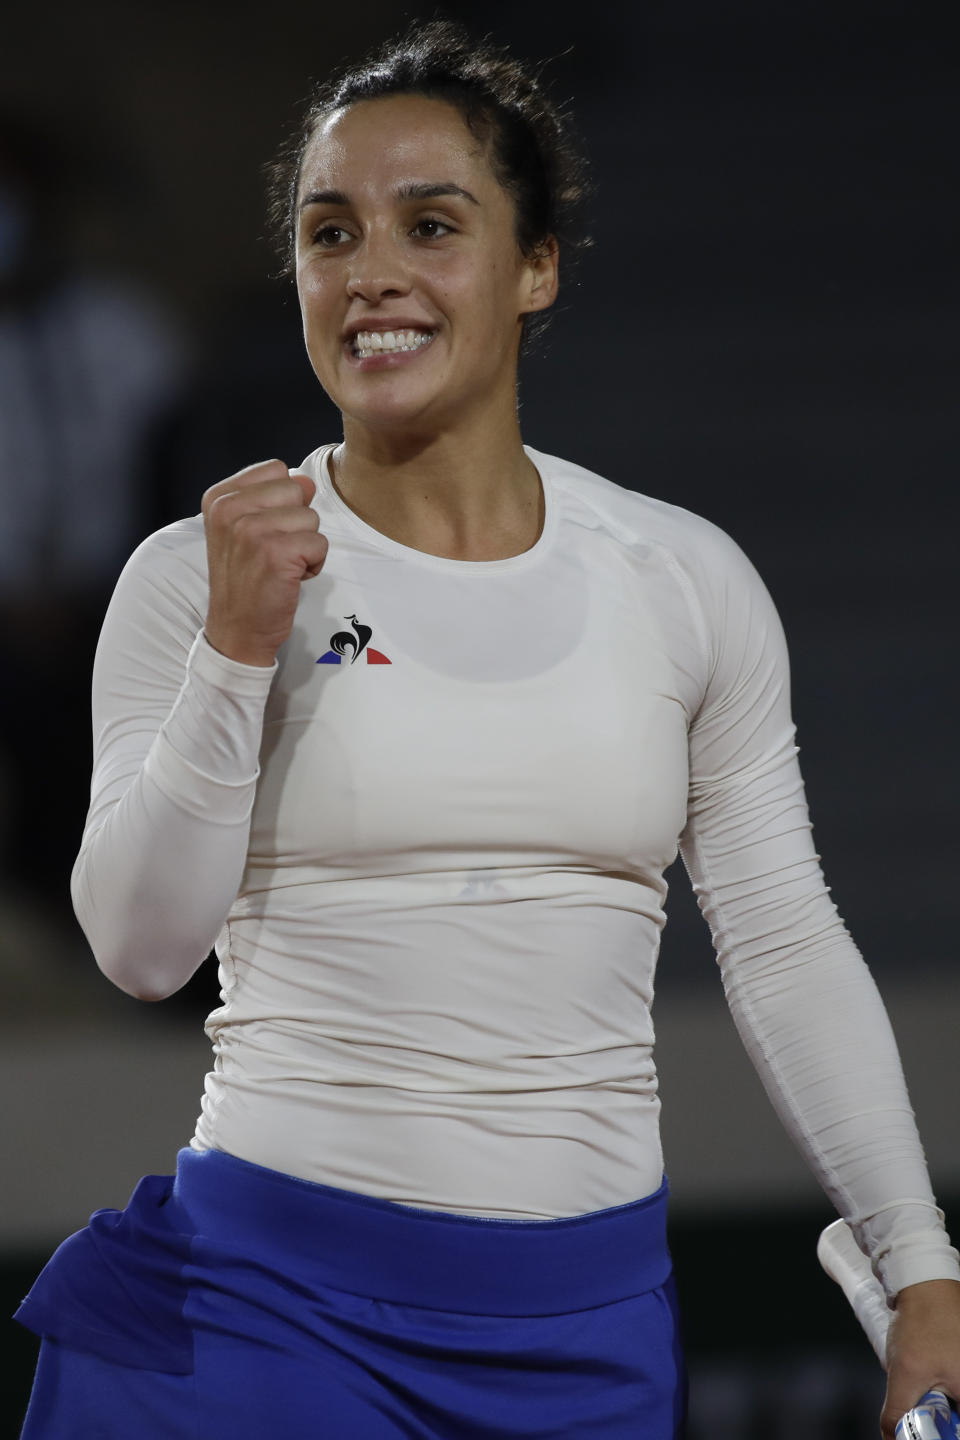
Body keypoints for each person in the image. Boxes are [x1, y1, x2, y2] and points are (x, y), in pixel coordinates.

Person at [13, 18, 960, 1440]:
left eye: (431, 224)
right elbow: (142, 951)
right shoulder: (196, 575)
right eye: (330, 233)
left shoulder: (683, 579)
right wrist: (234, 652)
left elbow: (778, 934)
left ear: (537, 269)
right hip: (260, 1323)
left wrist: (917, 1260)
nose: (373, 271)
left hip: (587, 1340)